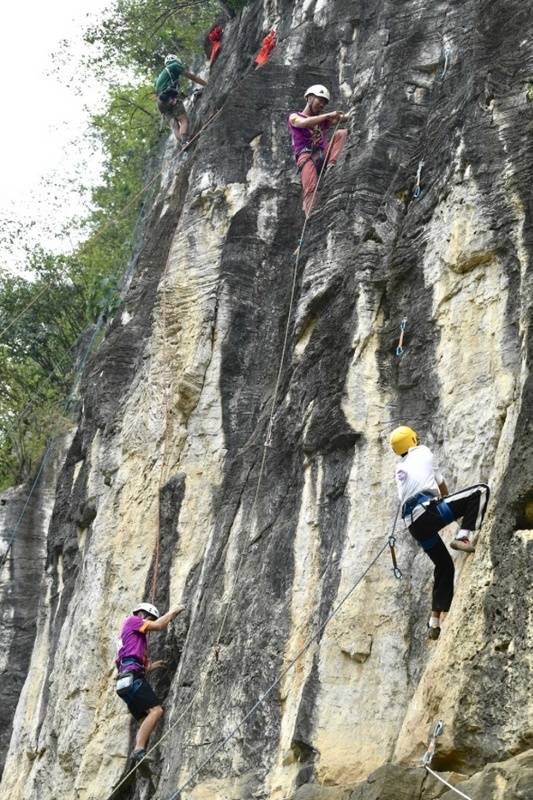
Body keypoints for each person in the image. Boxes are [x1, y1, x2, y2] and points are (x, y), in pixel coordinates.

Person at [391, 426, 489, 640]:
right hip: (428, 512)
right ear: (413, 439)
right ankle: (464, 536)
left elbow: (407, 495)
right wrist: (450, 507)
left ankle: (434, 620)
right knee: (480, 491)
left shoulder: (399, 469)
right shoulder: (423, 451)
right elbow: (441, 482)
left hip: (414, 526)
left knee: (444, 565)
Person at [115, 601, 185, 767]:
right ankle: (138, 751)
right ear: (141, 614)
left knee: (145, 719)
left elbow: (129, 662)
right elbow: (160, 625)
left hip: (124, 682)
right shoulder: (133, 621)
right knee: (156, 711)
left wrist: (151, 666)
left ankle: (140, 755)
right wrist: (174, 611)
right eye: (149, 618)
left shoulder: (130, 638)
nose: (149, 621)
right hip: (132, 679)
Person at [288, 84, 348, 216]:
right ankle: (310, 216)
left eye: (324, 103)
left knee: (341, 133)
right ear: (309, 98)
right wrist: (328, 115)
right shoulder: (294, 116)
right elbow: (303, 123)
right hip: (307, 157)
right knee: (310, 188)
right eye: (320, 101)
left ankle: (331, 165)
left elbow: (340, 119)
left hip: (323, 153)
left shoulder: (323, 120)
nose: (322, 105)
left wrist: (346, 116)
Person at [155, 54, 207, 145]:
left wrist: (183, 95)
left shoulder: (161, 76)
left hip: (161, 103)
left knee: (174, 126)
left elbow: (164, 91)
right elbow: (192, 77)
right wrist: (207, 84)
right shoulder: (174, 66)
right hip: (170, 99)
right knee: (183, 120)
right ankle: (185, 140)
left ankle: (183, 144)